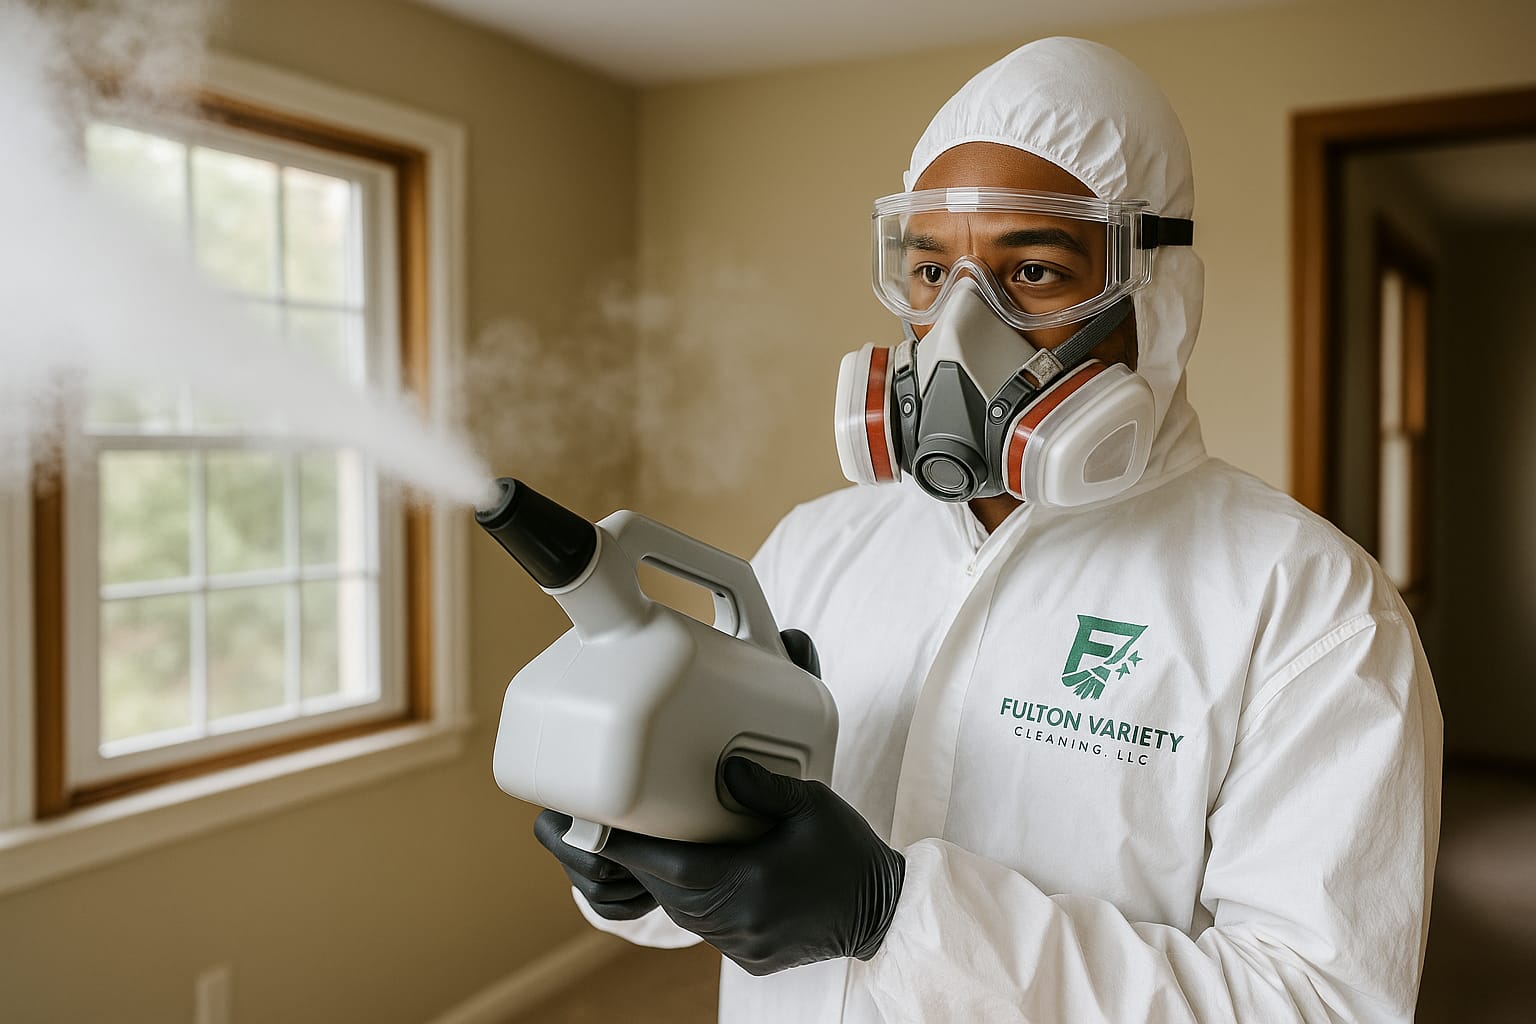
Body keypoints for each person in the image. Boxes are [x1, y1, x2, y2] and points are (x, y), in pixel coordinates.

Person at [533, 36, 1442, 1023]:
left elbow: (1319, 1003)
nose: (961, 327)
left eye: (1037, 271)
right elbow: (751, 863)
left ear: (1161, 294)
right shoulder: (821, 545)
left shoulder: (1305, 605)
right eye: (931, 271)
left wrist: (895, 915)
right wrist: (642, 864)